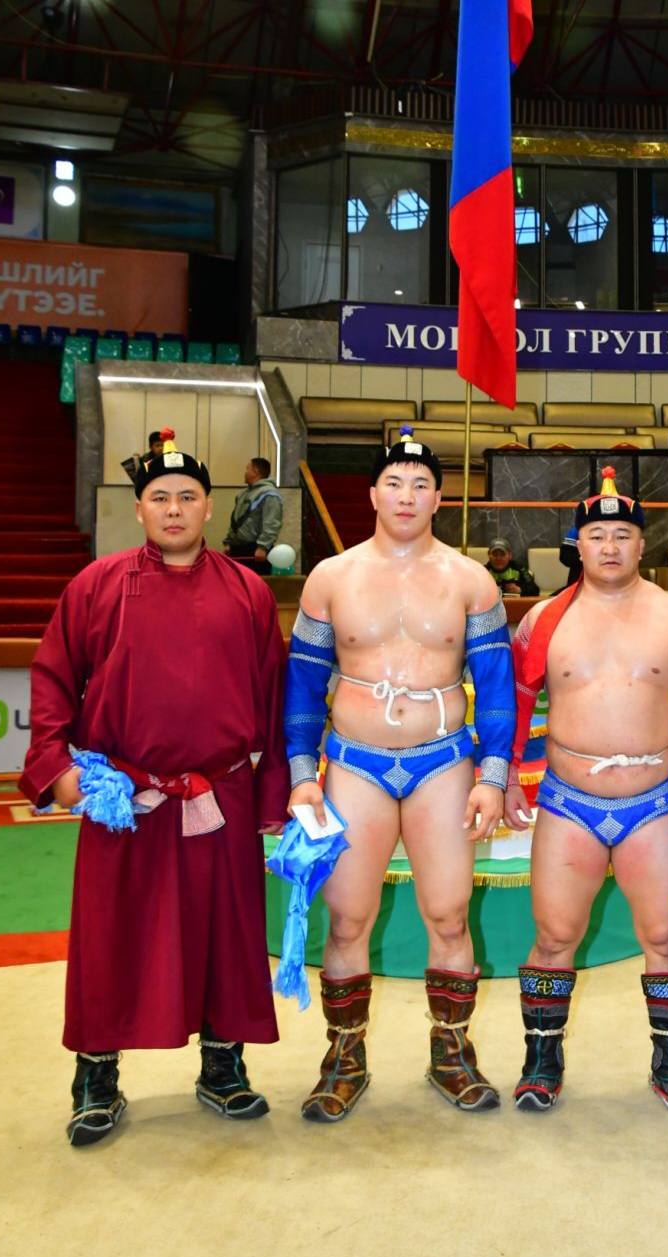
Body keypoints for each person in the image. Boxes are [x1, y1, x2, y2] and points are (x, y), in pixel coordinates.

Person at [20, 427, 289, 1147]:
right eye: (160, 497)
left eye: (188, 497)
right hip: (124, 799)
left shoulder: (248, 592)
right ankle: (96, 1076)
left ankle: (223, 1064)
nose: (174, 509)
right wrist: (54, 766)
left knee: (226, 934)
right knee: (111, 935)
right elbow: (52, 678)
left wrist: (273, 795)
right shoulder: (96, 585)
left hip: (220, 796)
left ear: (210, 507)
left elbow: (273, 701)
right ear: (139, 508)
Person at [284, 435, 515, 1121]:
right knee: (348, 918)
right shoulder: (331, 578)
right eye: (394, 482)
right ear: (372, 494)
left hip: (443, 762)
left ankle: (452, 1052)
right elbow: (303, 686)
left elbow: (496, 690)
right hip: (354, 762)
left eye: (420, 484)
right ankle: (344, 1058)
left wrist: (493, 776)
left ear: (439, 498)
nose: (407, 496)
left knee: (448, 913)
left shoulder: (472, 581)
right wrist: (302, 774)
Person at [503, 467, 668, 1113]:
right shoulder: (543, 620)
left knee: (665, 936)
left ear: (642, 544)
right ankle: (540, 1063)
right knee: (555, 934)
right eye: (597, 535)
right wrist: (503, 776)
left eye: (622, 535)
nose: (609, 546)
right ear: (577, 545)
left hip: (653, 801)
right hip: (567, 801)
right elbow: (514, 702)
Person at [223, 457, 284, 575]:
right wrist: (229, 542)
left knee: (255, 584)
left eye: (247, 469)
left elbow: (272, 523)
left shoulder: (270, 495)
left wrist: (263, 547)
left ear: (256, 471)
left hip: (255, 551)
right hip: (237, 549)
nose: (245, 472)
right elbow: (235, 520)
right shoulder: (242, 494)